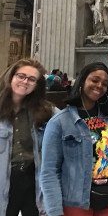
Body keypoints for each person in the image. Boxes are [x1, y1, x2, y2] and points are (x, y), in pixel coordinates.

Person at [40, 62, 108, 216]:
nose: (99, 86)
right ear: (83, 81)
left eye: (104, 84)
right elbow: (49, 171)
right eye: (94, 80)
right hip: (76, 200)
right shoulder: (59, 122)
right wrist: (54, 211)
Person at [0, 59, 56, 216]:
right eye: (21, 76)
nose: (25, 82)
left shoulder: (45, 110)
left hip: (32, 178)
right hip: (4, 178)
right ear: (11, 76)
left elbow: (68, 126)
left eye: (32, 79)